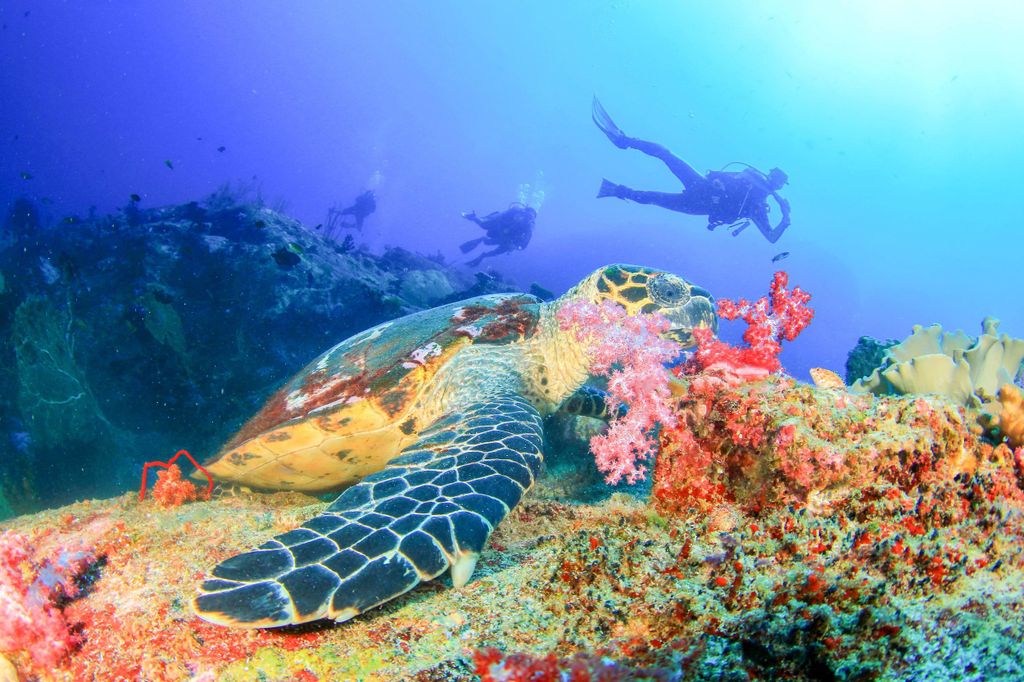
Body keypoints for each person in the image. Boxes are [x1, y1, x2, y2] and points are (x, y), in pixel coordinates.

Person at [593, 97, 791, 244]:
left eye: (777, 181)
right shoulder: (753, 176)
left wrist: (785, 218)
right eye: (773, 176)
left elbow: (772, 237)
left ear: (779, 185)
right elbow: (741, 175)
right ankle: (624, 140)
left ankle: (615, 190)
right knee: (666, 154)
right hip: (703, 187)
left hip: (700, 205)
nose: (772, 180)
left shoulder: (757, 208)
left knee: (654, 197)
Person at [459, 203, 536, 267]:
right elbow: (500, 216)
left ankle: (482, 255)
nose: (526, 218)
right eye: (526, 215)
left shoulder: (529, 227)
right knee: (484, 225)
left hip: (507, 239)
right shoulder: (515, 211)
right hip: (499, 227)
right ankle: (472, 217)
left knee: (496, 249)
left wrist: (515, 247)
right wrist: (490, 221)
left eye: (530, 217)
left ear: (532, 219)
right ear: (523, 211)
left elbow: (524, 244)